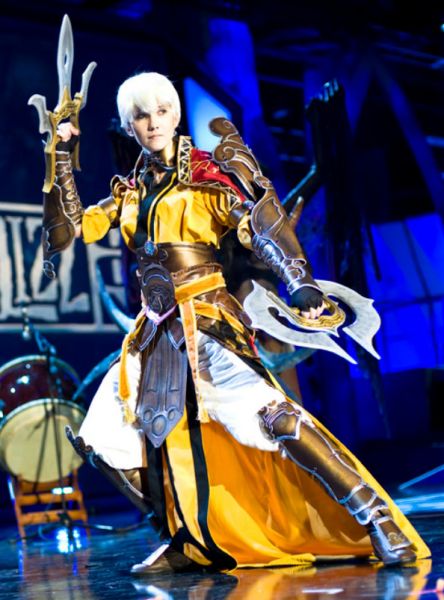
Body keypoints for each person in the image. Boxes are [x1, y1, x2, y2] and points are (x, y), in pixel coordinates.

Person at [42, 72, 429, 573]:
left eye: (162, 111)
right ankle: (187, 538)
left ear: (175, 115)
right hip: (154, 332)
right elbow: (67, 231)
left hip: (207, 321)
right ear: (128, 124)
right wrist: (60, 155)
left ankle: (377, 519)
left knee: (275, 418)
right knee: (104, 438)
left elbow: (259, 223)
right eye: (141, 116)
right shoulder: (131, 193)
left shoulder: (206, 175)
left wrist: (299, 280)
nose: (153, 123)